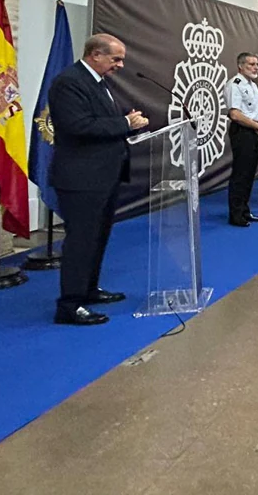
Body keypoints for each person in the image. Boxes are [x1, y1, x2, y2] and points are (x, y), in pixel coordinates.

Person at [48, 34, 149, 325]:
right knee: (81, 241)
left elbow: (100, 123)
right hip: (81, 178)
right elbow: (77, 125)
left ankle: (88, 289)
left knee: (98, 237)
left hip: (104, 175)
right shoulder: (69, 81)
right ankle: (69, 305)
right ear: (95, 54)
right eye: (115, 59)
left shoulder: (98, 82)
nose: (120, 65)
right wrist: (124, 124)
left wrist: (128, 125)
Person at [226, 52, 258, 228]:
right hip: (243, 131)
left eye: (257, 64)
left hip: (255, 130)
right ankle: (235, 214)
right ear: (240, 66)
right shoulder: (234, 85)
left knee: (250, 173)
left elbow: (257, 109)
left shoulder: (253, 85)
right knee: (241, 173)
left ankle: (244, 209)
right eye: (251, 64)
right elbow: (235, 114)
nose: (255, 67)